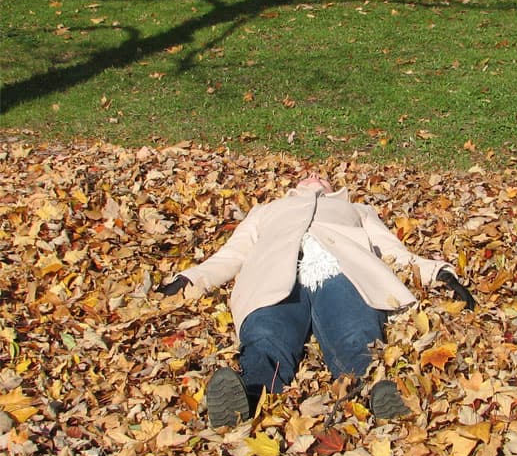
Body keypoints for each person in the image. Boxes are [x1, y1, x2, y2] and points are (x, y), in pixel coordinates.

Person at [158, 174, 475, 427]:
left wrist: (438, 272)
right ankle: (249, 395)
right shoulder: (266, 211)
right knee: (265, 338)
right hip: (275, 274)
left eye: (322, 177)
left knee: (356, 335)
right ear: (294, 188)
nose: (313, 176)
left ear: (331, 187)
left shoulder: (357, 209)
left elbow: (391, 250)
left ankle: (373, 396)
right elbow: (233, 253)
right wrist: (191, 278)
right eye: (306, 177)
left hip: (342, 271)